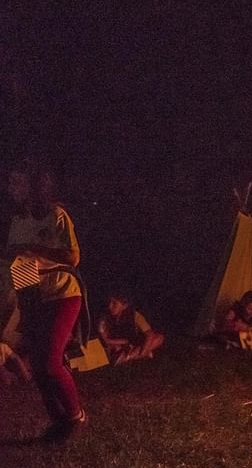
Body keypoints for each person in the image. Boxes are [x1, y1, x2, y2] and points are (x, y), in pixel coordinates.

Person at [5, 162, 86, 440]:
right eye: (10, 183)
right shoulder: (19, 221)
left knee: (51, 362)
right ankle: (59, 423)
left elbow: (73, 258)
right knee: (39, 366)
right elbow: (21, 263)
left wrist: (35, 248)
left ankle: (76, 416)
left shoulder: (56, 215)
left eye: (18, 183)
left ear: (33, 185)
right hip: (37, 296)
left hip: (64, 293)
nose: (11, 188)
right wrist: (27, 310)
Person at [97, 292, 165, 364]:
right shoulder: (104, 318)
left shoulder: (134, 316)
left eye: (114, 303)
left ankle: (127, 357)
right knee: (114, 348)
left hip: (132, 342)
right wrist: (124, 342)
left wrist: (144, 351)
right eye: (109, 302)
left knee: (159, 338)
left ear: (125, 306)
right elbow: (105, 340)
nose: (110, 306)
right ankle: (129, 356)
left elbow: (149, 334)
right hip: (117, 344)